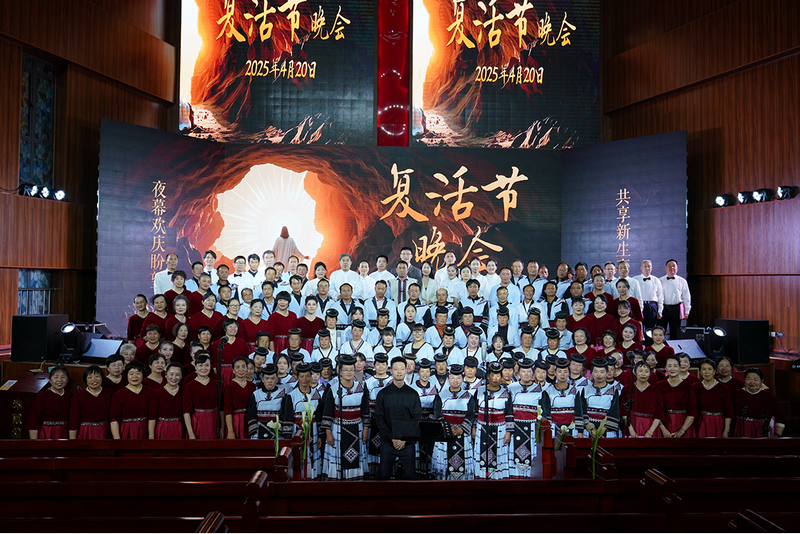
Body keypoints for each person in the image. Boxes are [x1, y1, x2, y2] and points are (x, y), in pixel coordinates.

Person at [320, 354, 370, 480]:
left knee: (356, 455)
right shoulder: (333, 389)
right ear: (340, 371)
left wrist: (365, 429)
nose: (348, 372)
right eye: (345, 370)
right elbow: (327, 412)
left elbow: (365, 410)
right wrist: (328, 433)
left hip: (357, 428)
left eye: (351, 370)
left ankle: (355, 480)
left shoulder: (361, 387)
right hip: (337, 429)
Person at [431, 364, 477, 480]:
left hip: (463, 433)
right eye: (452, 378)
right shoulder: (441, 396)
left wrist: (462, 428)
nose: (455, 381)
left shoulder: (469, 396)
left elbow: (471, 414)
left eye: (458, 378)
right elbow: (437, 414)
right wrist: (447, 428)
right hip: (445, 433)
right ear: (448, 379)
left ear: (462, 379)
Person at [279, 362, 323, 479]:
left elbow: (319, 416)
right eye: (302, 376)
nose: (305, 379)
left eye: (307, 376)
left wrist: (320, 435)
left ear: (311, 377)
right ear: (297, 378)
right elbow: (288, 418)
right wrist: (289, 438)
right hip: (297, 431)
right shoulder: (291, 395)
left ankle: (312, 477)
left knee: (313, 455)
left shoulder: (316, 394)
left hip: (313, 430)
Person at [473, 361, 513, 480]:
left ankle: (498, 479)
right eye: (492, 375)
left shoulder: (506, 392)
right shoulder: (480, 391)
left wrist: (508, 432)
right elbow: (474, 411)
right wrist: (473, 428)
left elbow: (509, 413)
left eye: (498, 375)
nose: (495, 378)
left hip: (500, 429)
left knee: (499, 456)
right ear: (488, 376)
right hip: (481, 428)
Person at [507, 358, 546, 477]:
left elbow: (543, 411)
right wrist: (509, 429)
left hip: (532, 429)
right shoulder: (511, 388)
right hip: (515, 428)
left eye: (529, 371)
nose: (526, 374)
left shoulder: (539, 389)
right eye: (523, 371)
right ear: (518, 373)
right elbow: (508, 409)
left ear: (533, 373)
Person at [732, 368, 785, 438]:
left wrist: (777, 436)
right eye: (749, 379)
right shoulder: (737, 394)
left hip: (762, 431)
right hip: (741, 430)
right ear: (744, 380)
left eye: (756, 379)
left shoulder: (769, 396)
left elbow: (780, 417)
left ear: (762, 381)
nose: (752, 382)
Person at [364, 354, 393, 478]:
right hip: (372, 419)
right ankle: (372, 473)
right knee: (371, 445)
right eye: (378, 364)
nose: (381, 367)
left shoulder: (392, 381)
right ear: (374, 366)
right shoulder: (367, 382)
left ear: (387, 366)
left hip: (388, 420)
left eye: (383, 364)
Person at [579, 358, 621, 438]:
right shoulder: (585, 389)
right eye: (596, 372)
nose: (598, 375)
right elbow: (582, 409)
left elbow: (614, 411)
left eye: (602, 372)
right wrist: (590, 429)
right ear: (592, 373)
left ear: (607, 373)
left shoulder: (613, 390)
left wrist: (603, 429)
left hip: (607, 430)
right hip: (588, 430)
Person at [656, 355, 697, 437]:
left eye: (675, 366)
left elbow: (692, 412)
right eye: (669, 366)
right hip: (664, 424)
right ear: (665, 368)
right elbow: (656, 410)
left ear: (679, 368)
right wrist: (663, 429)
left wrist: (681, 431)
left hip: (684, 425)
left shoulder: (688, 387)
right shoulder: (659, 386)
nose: (672, 369)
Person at [68, 365, 112, 439]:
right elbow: (73, 421)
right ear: (85, 380)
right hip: (85, 432)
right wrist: (72, 441)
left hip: (105, 431)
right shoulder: (78, 397)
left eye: (97, 376)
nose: (94, 379)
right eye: (90, 377)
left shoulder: (110, 394)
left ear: (102, 378)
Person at [540, 358, 582, 437]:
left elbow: (578, 411)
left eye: (565, 372)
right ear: (555, 373)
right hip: (553, 428)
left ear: (569, 373)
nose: (562, 374)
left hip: (572, 429)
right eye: (559, 372)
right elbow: (546, 412)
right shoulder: (548, 391)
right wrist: (548, 430)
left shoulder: (575, 391)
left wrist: (580, 431)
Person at [620, 361, 663, 438]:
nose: (643, 374)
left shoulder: (655, 391)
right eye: (640, 371)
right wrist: (631, 431)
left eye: (646, 371)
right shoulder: (627, 389)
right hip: (632, 425)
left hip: (651, 426)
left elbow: (659, 414)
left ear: (650, 373)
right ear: (634, 372)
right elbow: (623, 412)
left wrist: (650, 432)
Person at [28, 365, 72, 439]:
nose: (59, 380)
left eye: (63, 377)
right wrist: (34, 442)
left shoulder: (70, 395)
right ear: (50, 380)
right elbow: (34, 420)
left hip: (64, 433)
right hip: (46, 432)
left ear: (67, 380)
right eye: (56, 377)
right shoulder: (42, 396)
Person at [110, 361, 151, 439]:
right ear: (127, 375)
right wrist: (117, 439)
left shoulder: (149, 392)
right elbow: (114, 420)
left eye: (138, 373)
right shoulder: (118, 394)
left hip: (146, 429)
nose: (134, 376)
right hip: (127, 430)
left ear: (143, 375)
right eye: (131, 374)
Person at [692, 359, 733, 437]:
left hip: (718, 423)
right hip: (700, 423)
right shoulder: (695, 387)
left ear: (714, 371)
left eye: (709, 369)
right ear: (700, 371)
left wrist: (726, 430)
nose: (706, 372)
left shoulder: (723, 388)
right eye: (704, 369)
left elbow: (728, 411)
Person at [183, 353, 219, 439]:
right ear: (195, 367)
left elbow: (221, 407)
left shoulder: (216, 383)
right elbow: (186, 411)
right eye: (200, 365)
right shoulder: (189, 386)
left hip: (214, 419)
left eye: (207, 365)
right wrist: (190, 433)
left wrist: (222, 427)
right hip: (198, 420)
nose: (204, 368)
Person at [247, 364, 286, 439]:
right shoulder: (256, 394)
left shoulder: (283, 394)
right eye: (267, 378)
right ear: (262, 380)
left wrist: (278, 428)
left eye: (272, 378)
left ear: (277, 379)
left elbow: (284, 414)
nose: (269, 381)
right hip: (258, 431)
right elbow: (251, 413)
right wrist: (256, 430)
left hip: (277, 431)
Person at [148, 362, 184, 439]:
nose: (174, 377)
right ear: (165, 375)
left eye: (177, 375)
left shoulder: (184, 392)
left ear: (181, 376)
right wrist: (151, 435)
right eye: (171, 374)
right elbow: (152, 417)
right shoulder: (157, 393)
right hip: (163, 428)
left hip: (180, 428)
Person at [224, 357, 257, 439]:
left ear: (247, 368)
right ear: (233, 370)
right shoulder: (229, 387)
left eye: (243, 366)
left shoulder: (252, 386)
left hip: (250, 420)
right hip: (236, 421)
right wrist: (230, 430)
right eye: (237, 367)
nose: (241, 369)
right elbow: (227, 411)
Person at [659, 259, 691, 339]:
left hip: (676, 309)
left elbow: (686, 297)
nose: (671, 268)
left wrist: (687, 311)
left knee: (675, 332)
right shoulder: (660, 281)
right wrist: (659, 310)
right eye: (669, 266)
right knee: (660, 331)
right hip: (663, 308)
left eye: (673, 266)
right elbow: (658, 296)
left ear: (677, 268)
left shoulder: (682, 281)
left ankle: (673, 347)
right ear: (665, 268)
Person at [634, 259, 664, 330]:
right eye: (645, 266)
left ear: (651, 268)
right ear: (641, 268)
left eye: (649, 266)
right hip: (638, 306)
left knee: (650, 329)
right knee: (638, 327)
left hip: (651, 306)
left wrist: (660, 311)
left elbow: (660, 297)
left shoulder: (656, 280)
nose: (647, 268)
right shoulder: (635, 279)